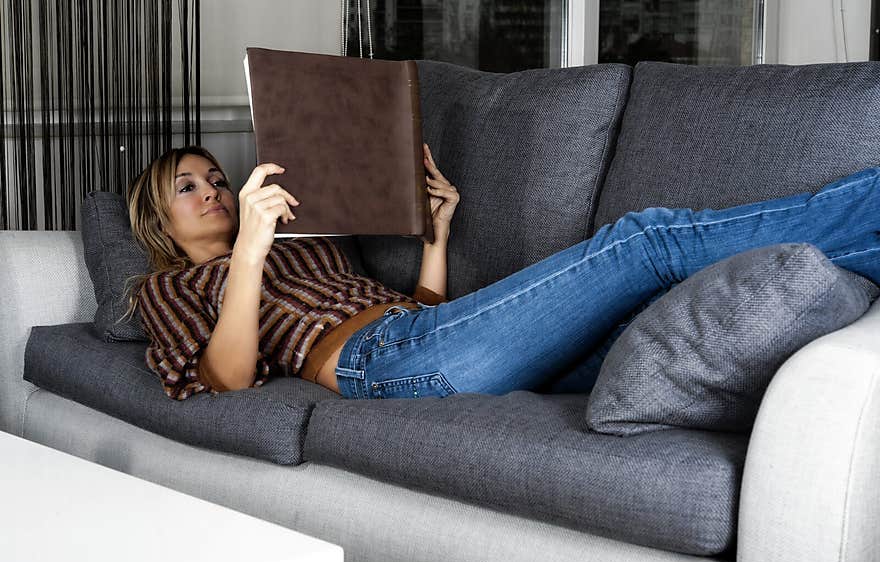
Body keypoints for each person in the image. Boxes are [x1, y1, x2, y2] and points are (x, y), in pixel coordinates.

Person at [127, 145, 880, 401]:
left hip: (423, 341)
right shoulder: (170, 286)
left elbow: (417, 313)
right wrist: (249, 253)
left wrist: (437, 232)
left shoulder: (305, 242)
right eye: (188, 186)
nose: (213, 190)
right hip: (378, 369)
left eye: (216, 177)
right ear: (161, 222)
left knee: (658, 319)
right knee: (641, 242)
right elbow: (224, 379)